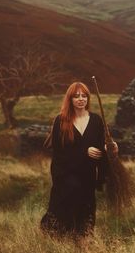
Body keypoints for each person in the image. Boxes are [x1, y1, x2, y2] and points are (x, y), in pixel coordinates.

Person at [41, 81, 110, 238]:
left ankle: (82, 242)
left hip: (87, 176)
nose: (81, 99)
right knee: (63, 211)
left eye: (84, 96)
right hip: (66, 176)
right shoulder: (61, 121)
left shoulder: (96, 121)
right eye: (76, 96)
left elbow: (100, 145)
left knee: (85, 213)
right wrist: (84, 152)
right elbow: (59, 152)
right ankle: (57, 242)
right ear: (70, 99)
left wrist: (106, 150)